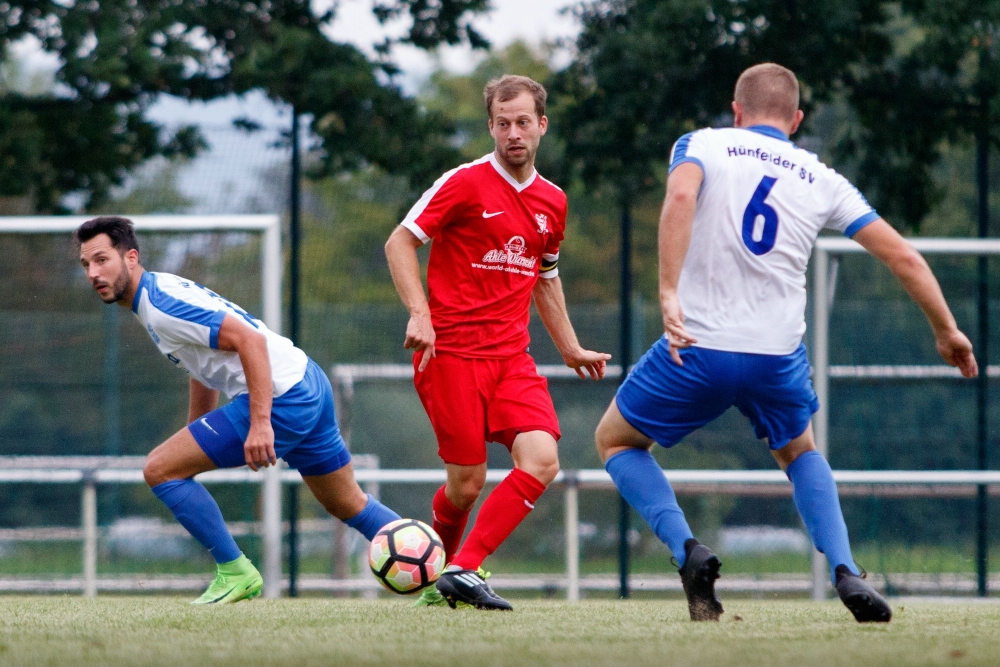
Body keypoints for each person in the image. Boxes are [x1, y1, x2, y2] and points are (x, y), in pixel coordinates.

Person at [594, 63, 978, 623]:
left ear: (736, 110)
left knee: (616, 442)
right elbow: (904, 257)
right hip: (776, 355)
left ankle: (687, 551)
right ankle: (846, 571)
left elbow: (679, 199)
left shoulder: (703, 143)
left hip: (698, 344)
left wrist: (668, 292)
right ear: (796, 120)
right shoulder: (822, 179)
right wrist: (947, 330)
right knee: (800, 452)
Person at [76, 216, 401, 604]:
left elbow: (248, 341)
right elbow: (205, 363)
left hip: (282, 399)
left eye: (101, 260)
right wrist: (196, 429)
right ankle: (445, 574)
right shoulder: (157, 293)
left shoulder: (160, 305)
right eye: (86, 265)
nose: (94, 273)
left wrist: (261, 423)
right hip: (306, 379)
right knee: (350, 504)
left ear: (131, 257)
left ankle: (235, 572)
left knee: (159, 470)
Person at [385, 74, 611, 610]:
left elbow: (546, 278)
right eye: (504, 123)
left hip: (512, 358)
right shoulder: (463, 182)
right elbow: (400, 241)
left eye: (524, 123)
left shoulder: (553, 201)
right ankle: (443, 571)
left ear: (541, 126)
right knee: (466, 486)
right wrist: (421, 313)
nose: (514, 133)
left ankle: (461, 569)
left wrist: (570, 347)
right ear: (491, 126)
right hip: (451, 356)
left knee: (542, 459)